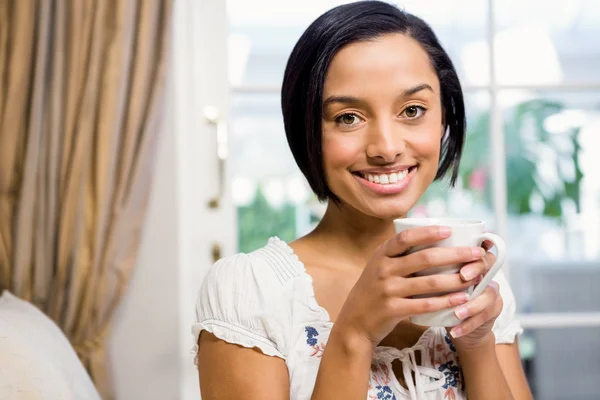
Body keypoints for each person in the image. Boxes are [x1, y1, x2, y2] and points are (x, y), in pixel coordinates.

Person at [193, 1, 533, 399]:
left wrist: (477, 345)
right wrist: (354, 334)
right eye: (348, 117)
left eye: (413, 110)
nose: (386, 149)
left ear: (444, 118)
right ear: (306, 130)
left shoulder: (479, 283)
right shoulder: (251, 294)